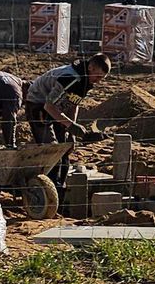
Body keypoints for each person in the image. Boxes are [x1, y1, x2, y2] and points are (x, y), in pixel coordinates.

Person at [24, 53, 113, 189]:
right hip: (38, 103)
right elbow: (48, 106)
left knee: (65, 148)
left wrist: (70, 130)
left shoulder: (86, 81)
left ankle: (60, 188)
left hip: (57, 106)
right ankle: (49, 190)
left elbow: (73, 103)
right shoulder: (70, 77)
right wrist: (71, 125)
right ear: (91, 67)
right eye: (98, 76)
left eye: (103, 78)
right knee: (52, 150)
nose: (99, 80)